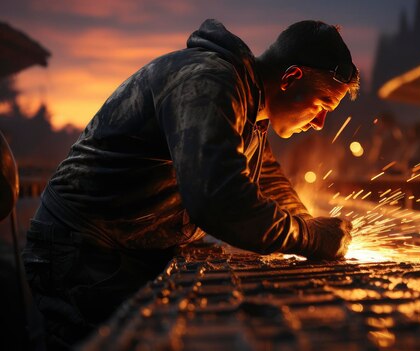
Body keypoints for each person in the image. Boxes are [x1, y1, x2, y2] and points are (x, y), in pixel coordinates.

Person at [22, 19, 359, 348]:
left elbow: (268, 181)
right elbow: (218, 200)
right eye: (321, 105)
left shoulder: (249, 106)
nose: (319, 123)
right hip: (82, 249)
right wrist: (312, 238)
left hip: (125, 246)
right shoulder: (208, 82)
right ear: (291, 77)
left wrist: (309, 224)